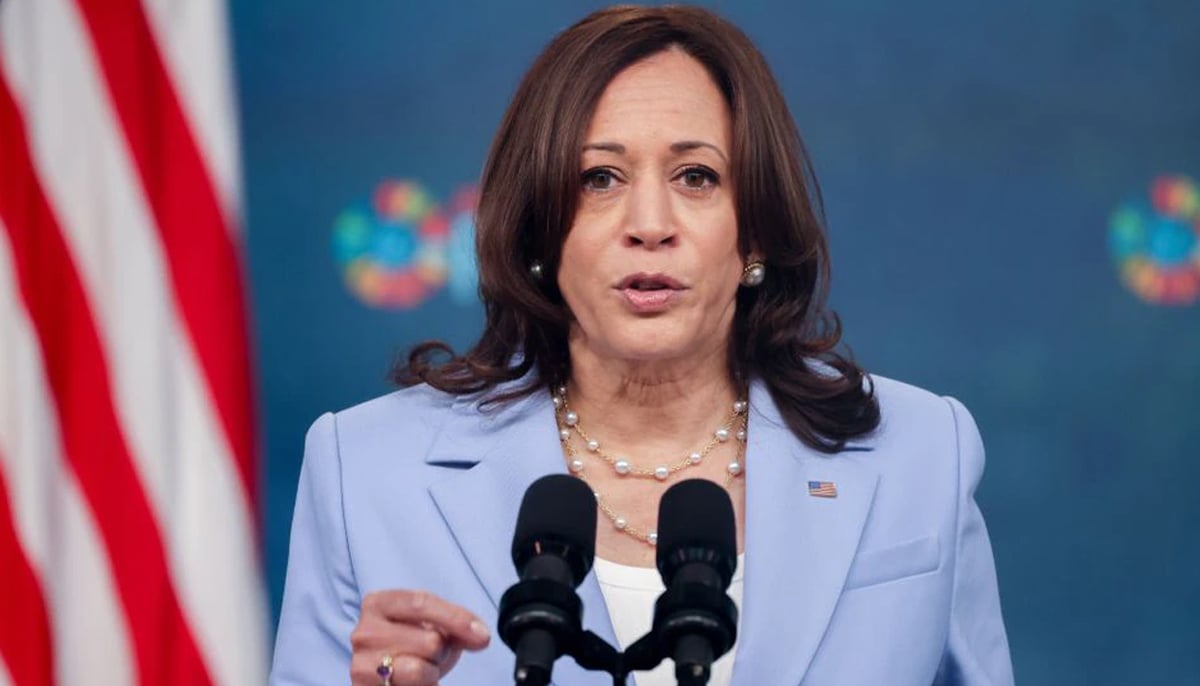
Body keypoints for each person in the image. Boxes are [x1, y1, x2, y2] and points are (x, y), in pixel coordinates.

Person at [270, 5, 1014, 686]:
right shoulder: (366, 471)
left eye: (696, 176)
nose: (650, 222)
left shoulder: (921, 454)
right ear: (539, 230)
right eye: (600, 178)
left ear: (754, 229)